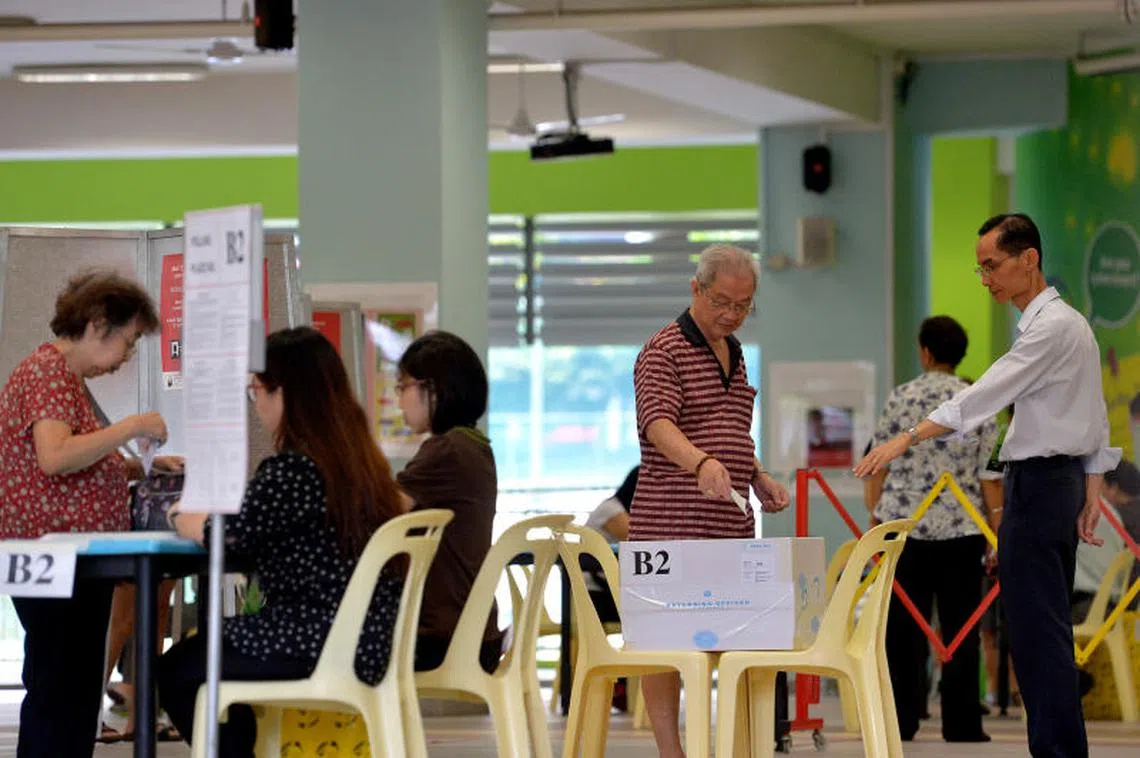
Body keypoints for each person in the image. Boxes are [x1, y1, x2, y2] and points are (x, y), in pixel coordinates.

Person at [856, 213, 1120, 758]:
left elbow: (981, 397)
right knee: (1037, 628)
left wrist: (906, 438)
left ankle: (1059, 751)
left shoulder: (1051, 329)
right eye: (980, 268)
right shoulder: (1069, 324)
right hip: (1054, 483)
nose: (985, 279)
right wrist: (1091, 486)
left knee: (1036, 631)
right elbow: (1095, 417)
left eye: (992, 266)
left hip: (1043, 486)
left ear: (1029, 259)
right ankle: (1059, 747)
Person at [158, 327, 407, 758]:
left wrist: (188, 519)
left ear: (283, 392)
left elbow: (229, 539)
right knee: (201, 654)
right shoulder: (361, 464)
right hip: (367, 638)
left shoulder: (294, 469)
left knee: (178, 669)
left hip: (314, 638)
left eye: (256, 391)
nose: (255, 405)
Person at [631, 244, 791, 758]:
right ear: (696, 289)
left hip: (728, 526)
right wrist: (700, 462)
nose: (732, 315)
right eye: (722, 302)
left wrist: (757, 475)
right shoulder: (663, 350)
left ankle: (733, 746)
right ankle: (670, 751)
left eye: (743, 305)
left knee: (729, 637)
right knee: (664, 643)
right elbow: (657, 424)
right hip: (669, 524)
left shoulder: (736, 352)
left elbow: (732, 430)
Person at [0, 270, 166, 758]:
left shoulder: (64, 378)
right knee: (59, 689)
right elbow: (54, 456)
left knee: (70, 690)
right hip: (51, 553)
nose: (127, 358)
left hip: (72, 557)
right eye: (129, 342)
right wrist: (131, 427)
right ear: (98, 325)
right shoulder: (47, 372)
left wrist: (134, 467)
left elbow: (75, 455)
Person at [865, 316, 1001, 742]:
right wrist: (997, 534)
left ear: (924, 352)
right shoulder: (978, 401)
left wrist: (874, 517)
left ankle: (902, 719)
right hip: (963, 529)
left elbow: (880, 463)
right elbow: (989, 476)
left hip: (905, 527)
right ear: (959, 354)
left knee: (903, 629)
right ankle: (962, 724)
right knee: (963, 627)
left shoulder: (901, 397)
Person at [393, 330, 502, 674]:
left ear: (434, 389)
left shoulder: (446, 450)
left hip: (444, 637)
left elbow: (380, 513)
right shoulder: (474, 445)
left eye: (403, 387)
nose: (399, 400)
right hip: (475, 631)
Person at [1071, 459, 1140, 620]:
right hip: (1115, 611)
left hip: (1085, 609)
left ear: (1112, 487)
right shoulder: (1114, 517)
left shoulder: (1088, 511)